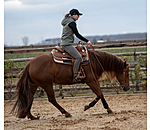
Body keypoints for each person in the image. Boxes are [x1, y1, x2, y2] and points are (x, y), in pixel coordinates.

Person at [60, 8, 92, 82]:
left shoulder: (67, 21)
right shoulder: (72, 23)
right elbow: (77, 34)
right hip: (67, 45)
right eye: (78, 15)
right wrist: (87, 41)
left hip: (65, 43)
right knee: (78, 57)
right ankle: (75, 76)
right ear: (74, 15)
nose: (78, 17)